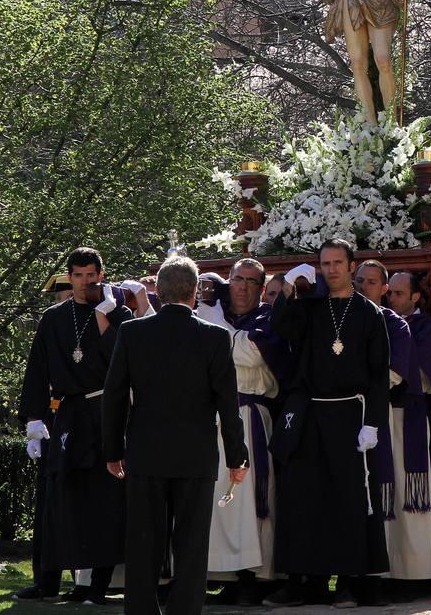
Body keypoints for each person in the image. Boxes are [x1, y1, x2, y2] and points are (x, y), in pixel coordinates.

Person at [103, 255, 249, 615]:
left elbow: (115, 395)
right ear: (196, 291)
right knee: (192, 546)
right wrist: (237, 457)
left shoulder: (133, 332)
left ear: (159, 291)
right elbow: (227, 403)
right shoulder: (215, 337)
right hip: (195, 455)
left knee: (142, 543)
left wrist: (112, 450)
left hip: (146, 452)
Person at [264, 239, 390, 608]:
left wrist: (373, 423)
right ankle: (307, 583)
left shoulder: (370, 314)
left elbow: (379, 376)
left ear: (352, 266)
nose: (331, 269)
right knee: (304, 499)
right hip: (310, 414)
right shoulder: (310, 308)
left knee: (347, 500)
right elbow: (281, 326)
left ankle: (349, 583)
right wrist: (288, 286)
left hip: (350, 414)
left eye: (338, 262)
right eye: (325, 263)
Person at [19, 247, 133, 604]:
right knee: (60, 498)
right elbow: (37, 370)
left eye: (91, 275)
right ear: (70, 276)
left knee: (105, 497)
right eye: (78, 275)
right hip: (67, 414)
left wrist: (105, 321)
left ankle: (97, 586)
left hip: (105, 411)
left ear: (102, 274)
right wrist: (34, 420)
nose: (85, 282)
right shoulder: (54, 318)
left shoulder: (119, 314)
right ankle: (53, 581)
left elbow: (125, 363)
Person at [200, 257, 291, 603]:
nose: (242, 287)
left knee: (252, 500)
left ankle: (253, 576)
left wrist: (213, 326)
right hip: (213, 418)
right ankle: (223, 574)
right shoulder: (217, 315)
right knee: (217, 498)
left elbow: (253, 354)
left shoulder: (268, 318)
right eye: (237, 279)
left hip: (249, 415)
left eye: (252, 282)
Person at [354, 261, 429, 587]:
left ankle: (404, 574)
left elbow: (396, 370)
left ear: (384, 289)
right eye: (359, 280)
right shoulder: (341, 319)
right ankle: (364, 571)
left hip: (389, 415)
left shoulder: (395, 324)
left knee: (396, 492)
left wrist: (355, 387)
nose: (363, 286)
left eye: (371, 282)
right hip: (347, 413)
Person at [386, 272, 431, 583]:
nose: (392, 298)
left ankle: (415, 571)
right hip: (380, 415)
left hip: (412, 413)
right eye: (391, 293)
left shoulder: (426, 327)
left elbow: (425, 369)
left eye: (400, 293)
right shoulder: (380, 321)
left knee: (411, 496)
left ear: (416, 297)